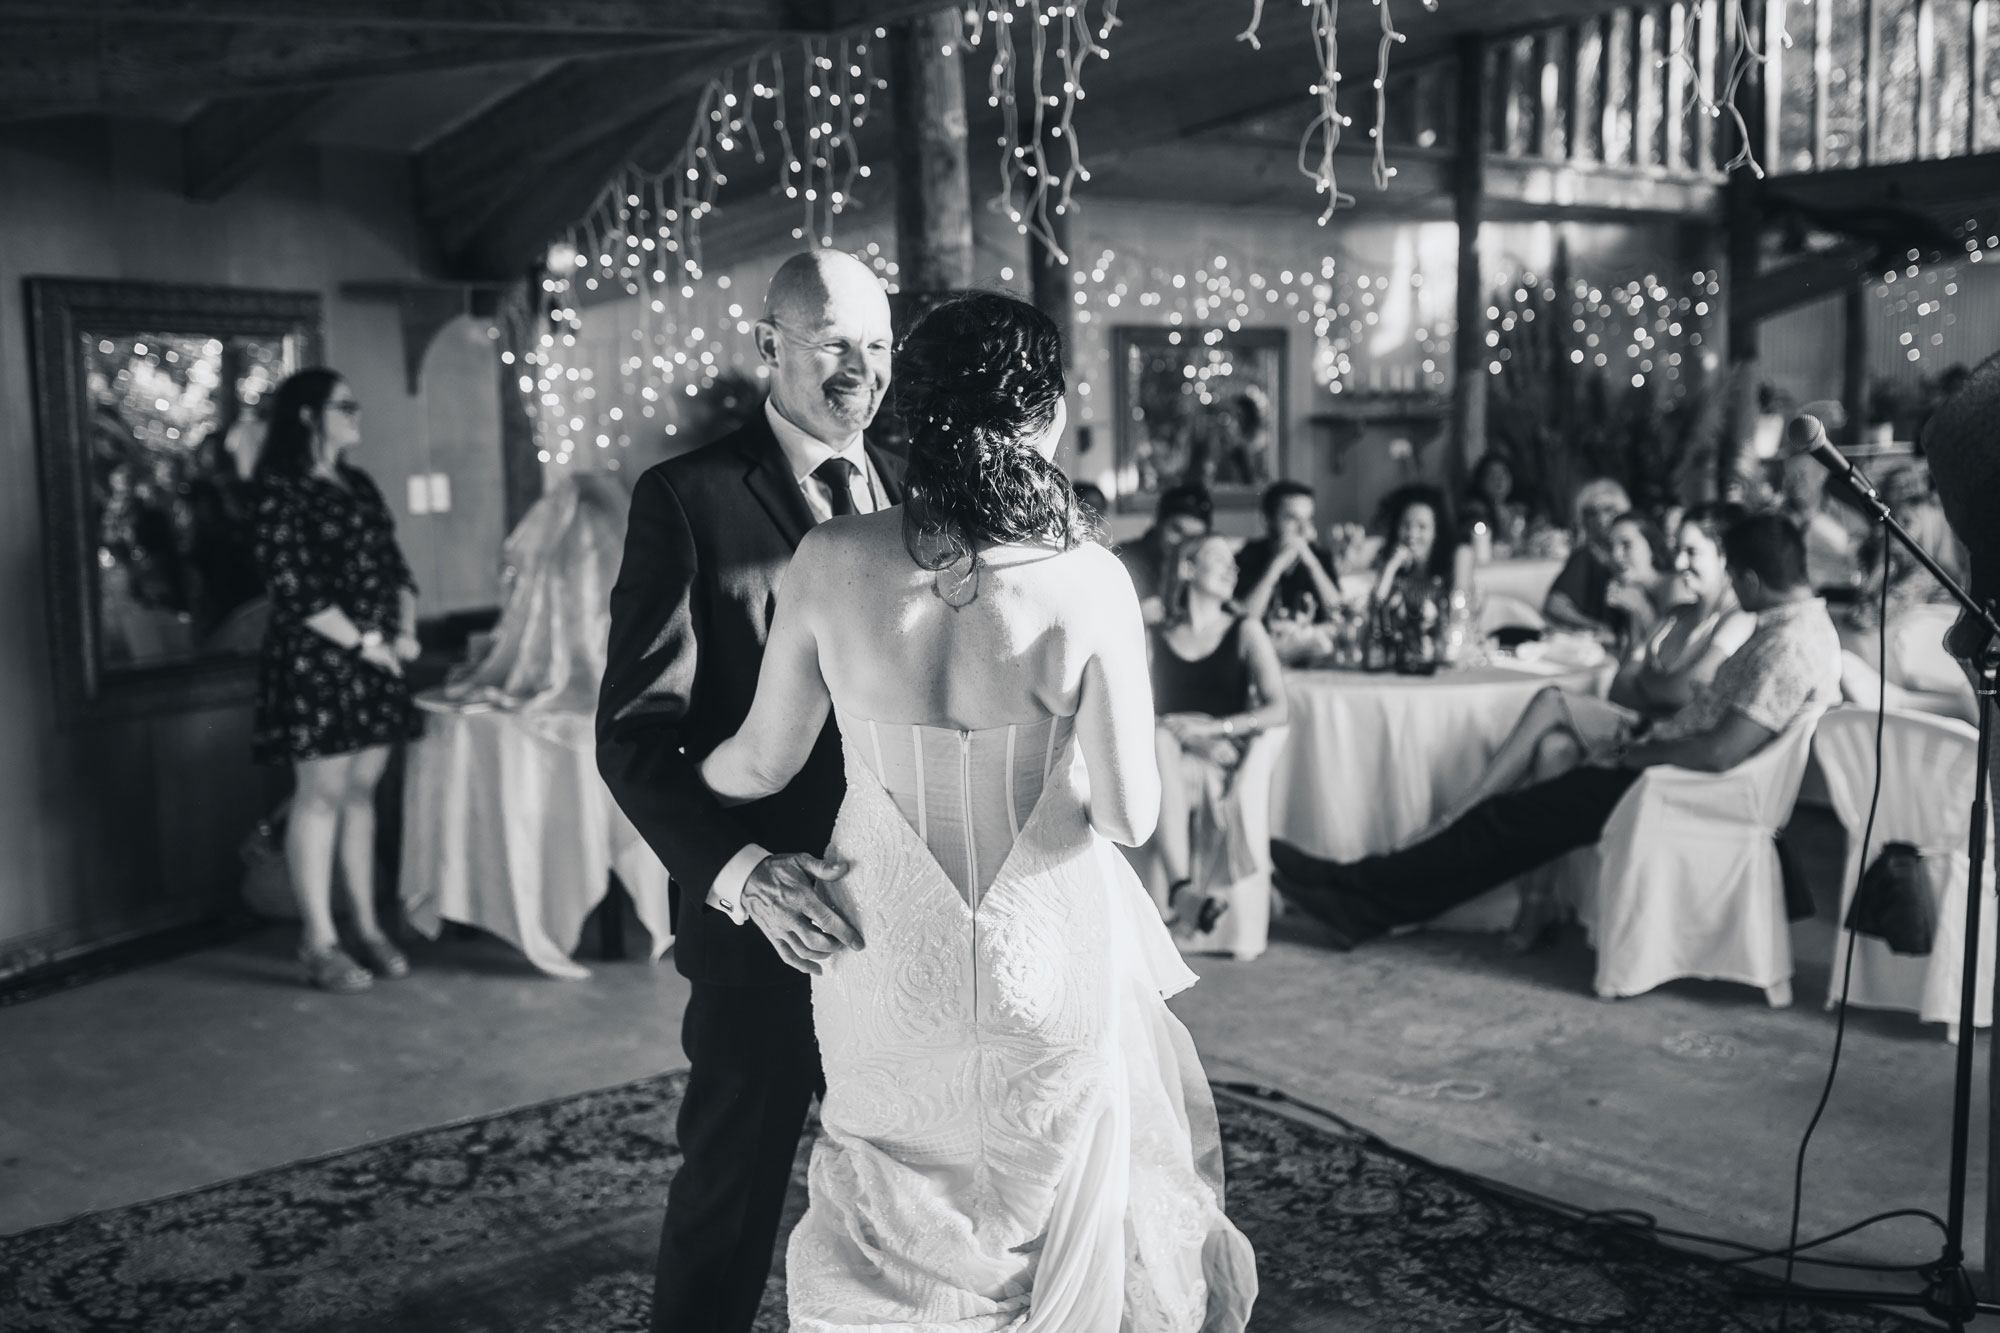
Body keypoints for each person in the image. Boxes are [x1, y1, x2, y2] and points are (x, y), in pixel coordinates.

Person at [696, 292, 1257, 1330]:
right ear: (1044, 416)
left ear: (913, 407)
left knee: (888, 1211)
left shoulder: (831, 559)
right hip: (1044, 942)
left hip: (877, 943)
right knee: (1042, 1216)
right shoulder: (1088, 578)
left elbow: (759, 769)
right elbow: (1132, 815)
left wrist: (685, 772)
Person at [596, 249, 905, 1333]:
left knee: (911, 1191)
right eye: (831, 343)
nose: (857, 369)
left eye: (875, 343)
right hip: (764, 924)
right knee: (731, 1191)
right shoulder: (685, 499)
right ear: (769, 344)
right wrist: (748, 876)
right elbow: (636, 739)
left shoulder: (921, 485)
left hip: (910, 915)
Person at [1270, 512, 1841, 949]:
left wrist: (1627, 758)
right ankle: (1356, 891)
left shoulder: (1787, 645)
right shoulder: (1797, 626)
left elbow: (1720, 752)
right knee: (1515, 810)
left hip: (1670, 781)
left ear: (1746, 577)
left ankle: (1359, 899)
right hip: (1661, 759)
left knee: (1501, 823)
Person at [1412, 503, 1758, 948]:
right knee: (1552, 751)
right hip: (1637, 722)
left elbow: (1676, 691)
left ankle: (1464, 811)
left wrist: (1653, 680)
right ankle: (1537, 903)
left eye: (1692, 552)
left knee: (1553, 699)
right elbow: (1622, 687)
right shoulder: (1679, 616)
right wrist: (1657, 681)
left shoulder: (1732, 619)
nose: (1680, 563)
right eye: (1679, 551)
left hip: (1662, 744)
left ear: (1725, 557)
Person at [250, 369, 421, 993]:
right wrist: (366, 644)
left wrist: (404, 632)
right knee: (318, 795)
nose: (357, 414)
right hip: (315, 666)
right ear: (306, 416)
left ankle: (368, 927)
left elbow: (396, 567)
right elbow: (293, 590)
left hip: (376, 663)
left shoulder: (358, 484)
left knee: (360, 795)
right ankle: (318, 939)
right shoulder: (279, 491)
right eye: (344, 405)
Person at [1151, 533, 1289, 938]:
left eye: (1234, 561)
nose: (1233, 568)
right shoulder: (1154, 636)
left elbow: (1278, 708)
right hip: (1170, 751)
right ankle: (1183, 891)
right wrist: (1187, 736)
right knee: (1159, 739)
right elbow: (1135, 709)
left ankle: (1178, 891)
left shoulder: (1246, 630)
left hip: (1222, 754)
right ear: (1187, 569)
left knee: (1161, 745)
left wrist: (1213, 728)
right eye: (1218, 559)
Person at [1234, 479, 1342, 627]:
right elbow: (1242, 622)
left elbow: (1340, 616)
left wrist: (1312, 565)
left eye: (1308, 519)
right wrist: (1276, 566)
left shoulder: (1321, 558)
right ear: (1267, 520)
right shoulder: (1247, 556)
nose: (1303, 530)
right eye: (1292, 518)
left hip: (1313, 647)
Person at [1542, 477, 1631, 640]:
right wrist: (1595, 625)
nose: (1601, 519)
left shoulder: (1632, 553)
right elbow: (1555, 605)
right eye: (1591, 513)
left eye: (1609, 510)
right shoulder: (1587, 555)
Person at [1117, 481, 1213, 624]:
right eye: (1177, 530)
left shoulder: (1204, 569)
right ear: (1159, 522)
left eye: (1193, 539)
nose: (1183, 543)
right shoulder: (1123, 559)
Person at [1602, 510, 1676, 652]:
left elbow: (1671, 656)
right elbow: (1635, 655)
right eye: (1611, 546)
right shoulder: (1636, 589)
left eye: (1626, 545)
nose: (1615, 555)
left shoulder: (1676, 586)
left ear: (1652, 547)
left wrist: (1642, 609)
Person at [1460, 452, 1533, 556]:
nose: (1499, 479)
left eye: (1504, 473)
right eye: (1492, 475)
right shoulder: (1473, 512)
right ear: (1481, 481)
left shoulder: (1519, 510)